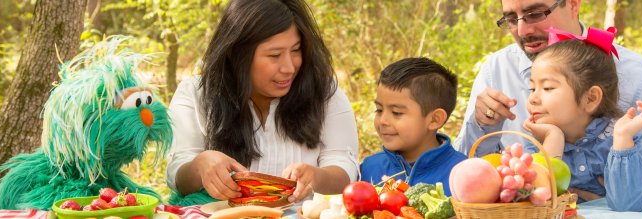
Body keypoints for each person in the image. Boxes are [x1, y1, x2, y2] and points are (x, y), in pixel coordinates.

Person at [453, 0, 642, 204]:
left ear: (573, 4)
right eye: (511, 19)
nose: (522, 30)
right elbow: (464, 175)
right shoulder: (495, 71)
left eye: (534, 14)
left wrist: (632, 205)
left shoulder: (638, 74)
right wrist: (481, 126)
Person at [165, 0, 359, 206]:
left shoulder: (325, 92)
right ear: (234, 53)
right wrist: (199, 167)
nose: (289, 67)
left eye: (296, 50)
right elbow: (176, 174)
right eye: (274, 55)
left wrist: (315, 177)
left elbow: (345, 167)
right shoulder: (195, 94)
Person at [523, 27, 642, 211]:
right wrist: (553, 138)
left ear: (590, 98)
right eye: (532, 88)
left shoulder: (623, 141)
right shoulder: (535, 145)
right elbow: (537, 202)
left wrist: (623, 141)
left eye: (548, 88)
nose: (533, 98)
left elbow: (630, 207)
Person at [360, 58, 468, 196]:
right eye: (379, 110)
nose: (382, 121)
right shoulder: (370, 166)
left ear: (434, 119)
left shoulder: (463, 173)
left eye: (396, 113)